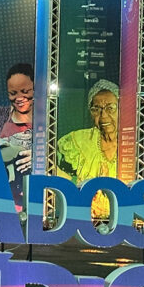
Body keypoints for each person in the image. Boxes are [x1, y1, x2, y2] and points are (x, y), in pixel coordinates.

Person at [57, 80, 119, 218]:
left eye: (110, 108)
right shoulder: (78, 141)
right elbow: (55, 173)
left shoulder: (132, 141)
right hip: (85, 220)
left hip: (124, 221)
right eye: (96, 109)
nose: (103, 116)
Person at [0, 63, 35, 208]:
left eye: (25, 91)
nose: (19, 98)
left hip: (36, 202)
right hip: (3, 202)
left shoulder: (47, 119)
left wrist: (39, 158)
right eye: (13, 93)